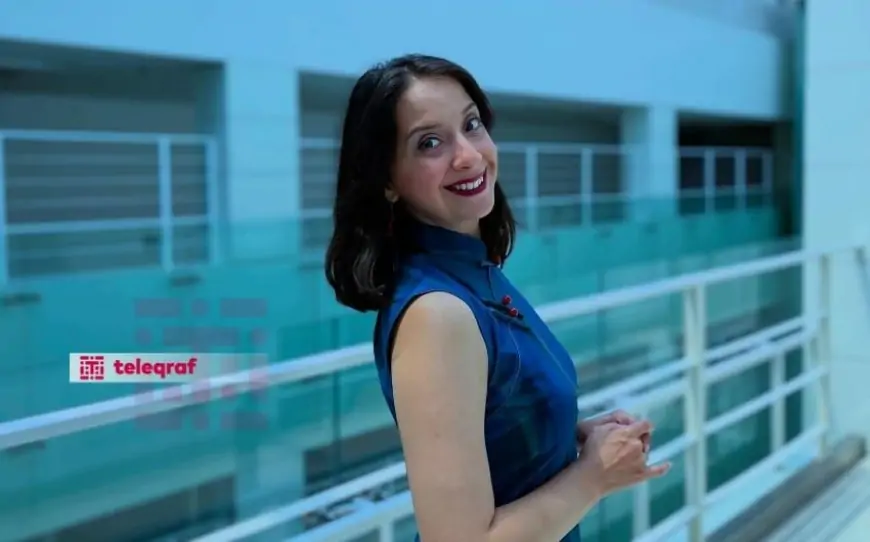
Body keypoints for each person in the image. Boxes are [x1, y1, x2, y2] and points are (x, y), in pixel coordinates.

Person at [325, 54, 670, 542]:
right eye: (429, 143)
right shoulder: (437, 313)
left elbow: (492, 424)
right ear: (386, 181)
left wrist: (566, 433)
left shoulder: (477, 274)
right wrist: (594, 475)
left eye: (471, 125)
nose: (468, 155)